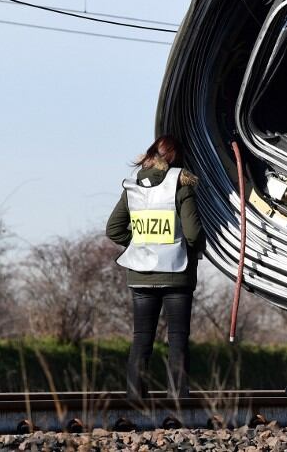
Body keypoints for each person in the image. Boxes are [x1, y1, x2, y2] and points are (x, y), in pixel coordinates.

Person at [106, 135, 204, 400]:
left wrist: (138, 244)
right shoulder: (181, 185)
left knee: (141, 338)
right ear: (175, 158)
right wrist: (191, 250)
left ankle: (135, 396)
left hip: (140, 275)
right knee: (177, 338)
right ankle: (177, 396)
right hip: (177, 275)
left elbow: (113, 229)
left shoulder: (134, 187)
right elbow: (194, 233)